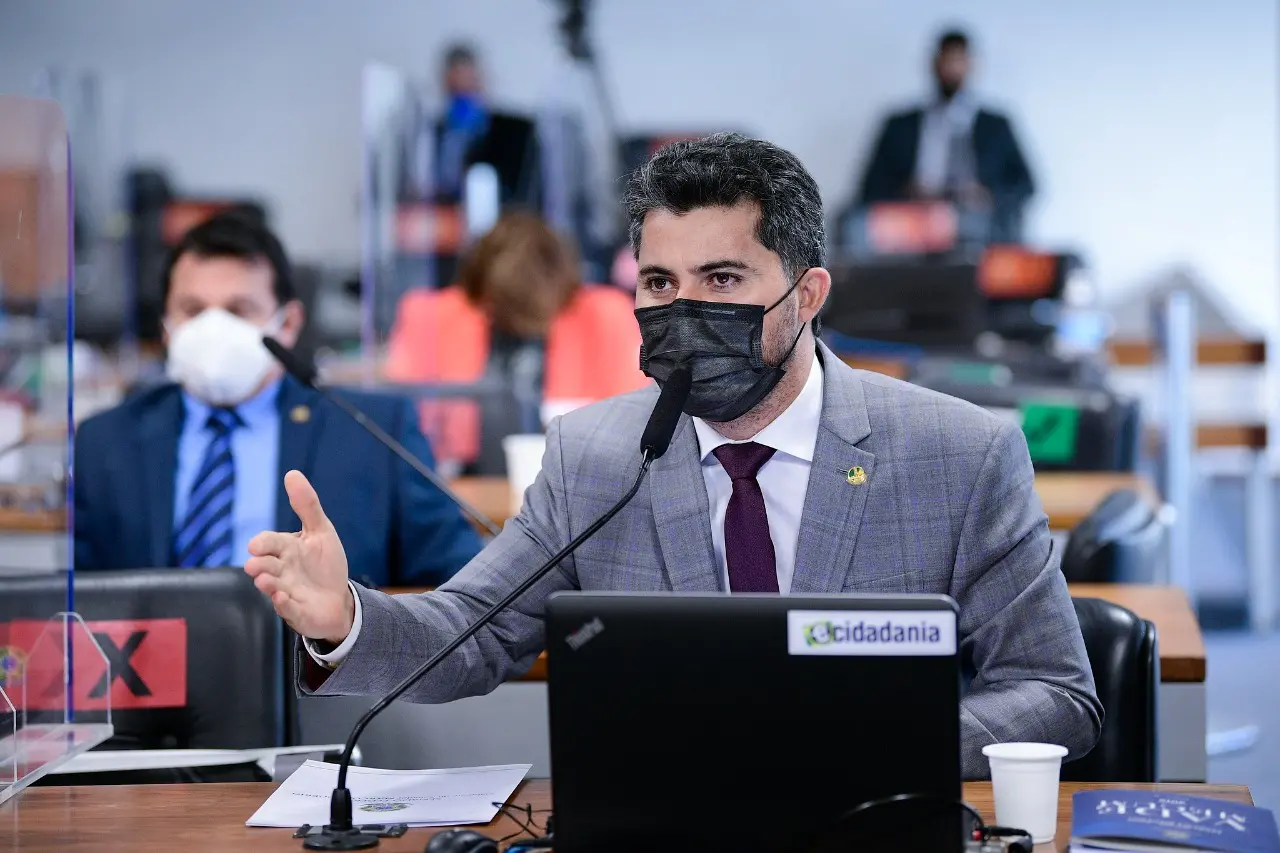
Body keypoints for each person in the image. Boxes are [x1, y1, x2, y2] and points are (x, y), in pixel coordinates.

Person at [246, 133, 1102, 779]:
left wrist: (870, 748)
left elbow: (1056, 693)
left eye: (722, 280)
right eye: (660, 283)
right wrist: (343, 618)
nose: (683, 310)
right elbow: (467, 635)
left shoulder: (960, 453)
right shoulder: (593, 457)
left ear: (806, 295)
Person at [74, 212, 483, 587]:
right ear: (165, 325)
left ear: (288, 323)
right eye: (193, 310)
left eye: (239, 310)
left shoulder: (373, 430)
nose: (213, 329)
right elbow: (82, 606)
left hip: (321, 648)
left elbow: (461, 587)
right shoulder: (105, 440)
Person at [385, 211, 648, 472]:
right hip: (463, 478)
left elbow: (632, 424)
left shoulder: (603, 316)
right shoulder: (434, 317)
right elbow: (405, 422)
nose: (521, 322)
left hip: (580, 476)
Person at [854, 28, 1035, 243]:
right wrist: (906, 191)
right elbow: (870, 186)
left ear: (970, 65)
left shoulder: (996, 126)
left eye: (957, 61)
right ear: (934, 64)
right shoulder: (899, 126)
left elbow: (1026, 185)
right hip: (912, 215)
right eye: (946, 60)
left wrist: (987, 195)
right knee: (857, 227)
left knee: (969, 226)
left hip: (972, 214)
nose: (951, 69)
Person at [428, 43, 540, 207]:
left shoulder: (513, 131)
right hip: (444, 214)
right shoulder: (433, 132)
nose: (462, 87)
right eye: (454, 81)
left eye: (467, 77)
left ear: (479, 78)